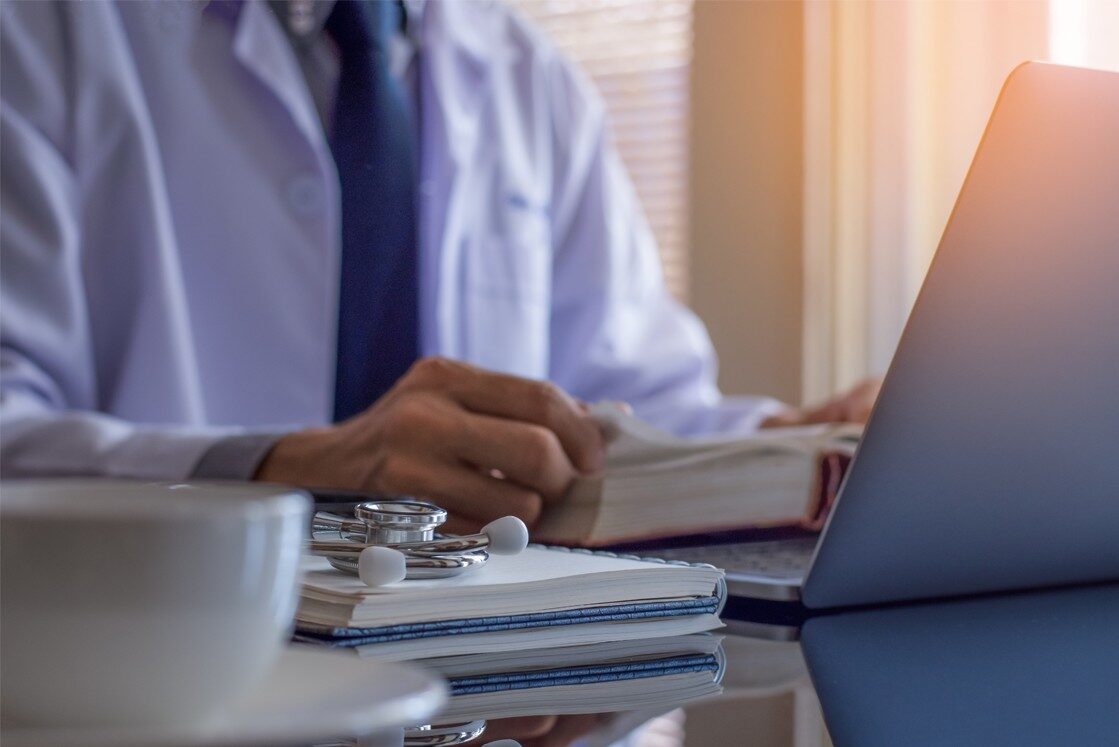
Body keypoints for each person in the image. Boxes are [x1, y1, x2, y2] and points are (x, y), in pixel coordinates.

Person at [0, 0, 877, 532]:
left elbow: (624, 411)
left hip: (477, 691)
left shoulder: (536, 83)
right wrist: (295, 469)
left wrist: (804, 445)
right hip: (138, 670)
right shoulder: (38, 40)